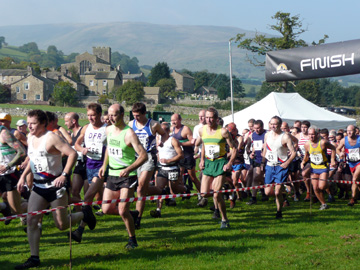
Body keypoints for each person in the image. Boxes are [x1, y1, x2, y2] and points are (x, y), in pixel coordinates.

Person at [15, 109, 95, 269]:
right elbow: (33, 158)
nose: (29, 127)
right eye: (28, 123)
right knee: (31, 220)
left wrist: (64, 175)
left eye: (33, 123)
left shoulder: (51, 138)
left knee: (61, 224)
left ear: (43, 123)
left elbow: (72, 154)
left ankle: (84, 214)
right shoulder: (30, 137)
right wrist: (23, 176)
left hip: (55, 186)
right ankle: (34, 258)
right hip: (38, 186)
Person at [99, 104, 147, 249]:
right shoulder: (108, 130)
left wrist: (129, 168)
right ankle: (131, 214)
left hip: (128, 176)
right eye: (109, 115)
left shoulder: (129, 133)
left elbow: (144, 156)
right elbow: (109, 148)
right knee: (106, 209)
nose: (111, 118)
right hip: (112, 174)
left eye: (114, 115)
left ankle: (132, 240)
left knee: (122, 210)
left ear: (122, 115)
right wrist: (104, 165)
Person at [71, 103, 107, 242]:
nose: (90, 118)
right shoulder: (86, 128)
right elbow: (76, 144)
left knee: (87, 198)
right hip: (88, 166)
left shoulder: (107, 129)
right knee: (89, 201)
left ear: (99, 114)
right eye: (88, 115)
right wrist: (82, 149)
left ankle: (80, 230)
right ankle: (131, 214)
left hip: (101, 167)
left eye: (93, 115)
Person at [129, 102, 166, 229]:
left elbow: (165, 134)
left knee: (140, 189)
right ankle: (161, 191)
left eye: (138, 115)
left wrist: (161, 143)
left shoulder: (153, 124)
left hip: (149, 157)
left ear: (144, 113)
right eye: (134, 115)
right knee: (140, 190)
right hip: (134, 158)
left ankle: (138, 218)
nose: (136, 118)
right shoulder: (130, 124)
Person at [198, 107, 236, 228]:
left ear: (216, 119)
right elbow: (204, 144)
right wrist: (202, 159)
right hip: (209, 163)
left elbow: (233, 148)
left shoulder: (223, 131)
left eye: (211, 118)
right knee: (204, 193)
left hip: (220, 163)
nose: (208, 120)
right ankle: (223, 187)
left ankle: (224, 220)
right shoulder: (201, 130)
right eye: (207, 117)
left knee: (216, 194)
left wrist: (229, 163)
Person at [149, 122, 187, 218]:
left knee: (174, 189)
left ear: (165, 131)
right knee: (159, 189)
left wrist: (168, 160)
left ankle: (185, 189)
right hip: (162, 169)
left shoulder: (173, 140)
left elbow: (181, 155)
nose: (158, 133)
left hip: (173, 168)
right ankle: (158, 210)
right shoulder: (158, 139)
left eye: (160, 131)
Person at [263, 116, 296, 218]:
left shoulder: (285, 137)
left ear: (280, 125)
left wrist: (287, 162)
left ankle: (279, 211)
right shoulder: (267, 135)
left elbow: (294, 152)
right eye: (271, 124)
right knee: (267, 192)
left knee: (277, 192)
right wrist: (262, 162)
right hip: (269, 165)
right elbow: (265, 149)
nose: (273, 126)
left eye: (275, 124)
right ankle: (283, 195)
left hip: (280, 166)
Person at [301, 127, 336, 210]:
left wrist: (332, 160)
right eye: (309, 134)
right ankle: (324, 204)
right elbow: (306, 155)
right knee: (315, 188)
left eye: (312, 134)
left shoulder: (323, 142)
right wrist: (303, 162)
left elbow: (333, 148)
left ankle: (330, 184)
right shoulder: (307, 144)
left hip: (323, 166)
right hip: (313, 167)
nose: (311, 136)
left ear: (317, 134)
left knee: (321, 186)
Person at [0, 117, 27, 224]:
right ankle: (4, 207)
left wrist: (8, 165)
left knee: (16, 210)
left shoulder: (4, 134)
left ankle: (32, 212)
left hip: (9, 174)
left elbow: (21, 152)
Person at [171, 113, 201, 202]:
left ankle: (201, 195)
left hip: (187, 156)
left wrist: (180, 143)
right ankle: (183, 192)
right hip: (178, 156)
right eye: (172, 120)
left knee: (192, 177)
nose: (173, 122)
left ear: (180, 120)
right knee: (178, 177)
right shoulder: (171, 129)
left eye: (175, 120)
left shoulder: (185, 129)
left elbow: (192, 142)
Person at [64, 112, 88, 210]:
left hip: (88, 165)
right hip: (79, 165)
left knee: (87, 193)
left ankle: (87, 211)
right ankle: (80, 211)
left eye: (66, 121)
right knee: (74, 191)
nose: (65, 123)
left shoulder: (83, 131)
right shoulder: (72, 135)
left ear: (73, 121)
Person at [336, 125, 360, 206]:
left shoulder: (359, 139)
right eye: (347, 131)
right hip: (351, 162)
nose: (349, 132)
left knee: (354, 178)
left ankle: (352, 199)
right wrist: (340, 153)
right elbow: (337, 149)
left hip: (359, 162)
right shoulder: (344, 140)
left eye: (351, 130)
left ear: (355, 131)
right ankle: (356, 196)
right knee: (356, 182)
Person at [247, 120, 267, 205]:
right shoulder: (253, 135)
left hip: (266, 159)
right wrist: (252, 152)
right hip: (257, 159)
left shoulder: (267, 134)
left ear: (262, 127)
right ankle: (253, 197)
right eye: (255, 128)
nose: (256, 130)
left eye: (258, 128)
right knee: (256, 177)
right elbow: (254, 145)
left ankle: (264, 191)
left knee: (260, 177)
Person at [296, 120, 312, 201]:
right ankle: (297, 192)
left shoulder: (311, 136)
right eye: (302, 127)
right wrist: (297, 151)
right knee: (296, 175)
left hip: (310, 159)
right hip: (300, 158)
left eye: (305, 127)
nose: (303, 129)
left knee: (304, 173)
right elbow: (294, 145)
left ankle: (309, 192)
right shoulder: (298, 136)